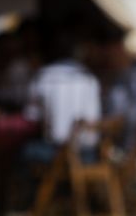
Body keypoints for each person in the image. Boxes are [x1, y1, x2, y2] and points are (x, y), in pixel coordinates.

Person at [22, 23, 102, 164]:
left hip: (57, 152)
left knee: (21, 152)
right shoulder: (89, 79)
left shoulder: (43, 77)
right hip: (87, 153)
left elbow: (31, 116)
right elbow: (94, 118)